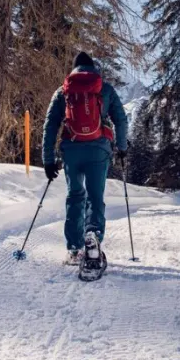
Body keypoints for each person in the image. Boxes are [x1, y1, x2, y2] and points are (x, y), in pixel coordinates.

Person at [43, 51, 129, 265]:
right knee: (95, 197)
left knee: (75, 196)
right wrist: (122, 147)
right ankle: (93, 237)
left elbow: (50, 125)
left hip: (72, 149)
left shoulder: (63, 91)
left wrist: (48, 159)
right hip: (98, 150)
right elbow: (121, 119)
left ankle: (73, 249)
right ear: (93, 68)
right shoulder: (104, 88)